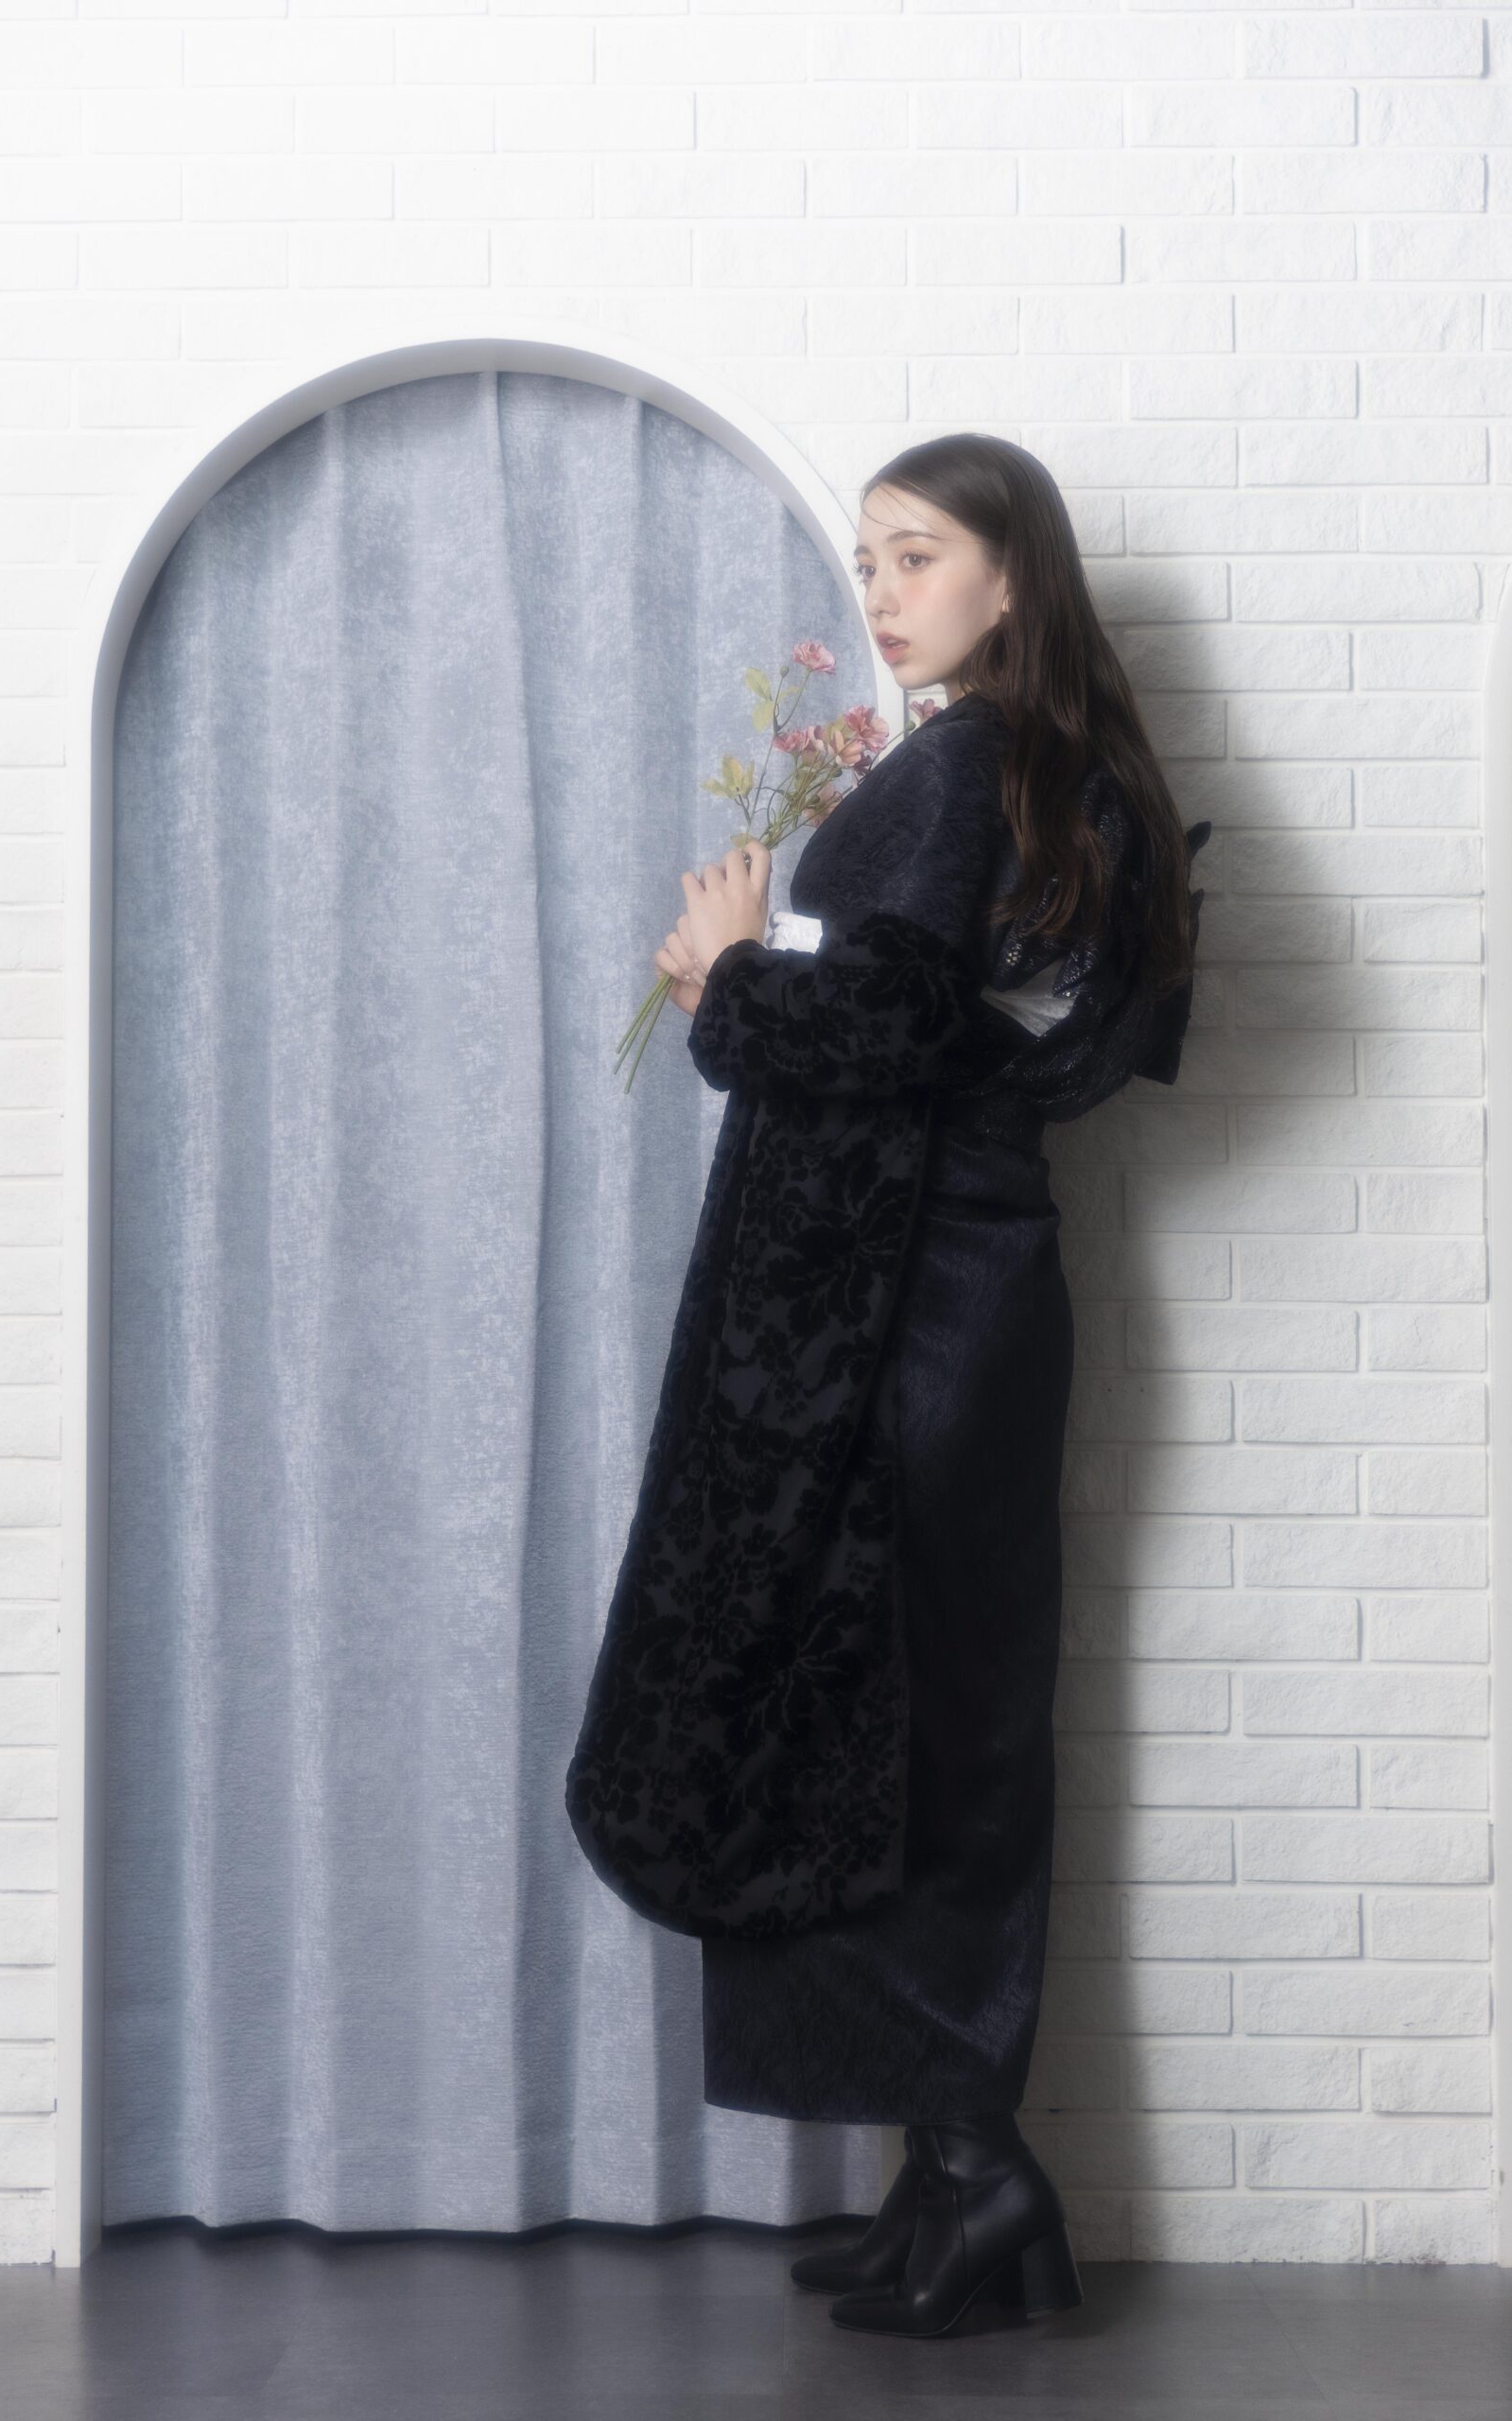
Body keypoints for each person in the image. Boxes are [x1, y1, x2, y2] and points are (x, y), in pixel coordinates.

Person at [565, 431, 1209, 2342]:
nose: (881, 589)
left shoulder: (968, 761)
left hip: (910, 1304)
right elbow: (978, 1036)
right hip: (960, 1285)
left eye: (916, 553)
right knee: (907, 1714)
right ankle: (943, 2173)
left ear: (1015, 571)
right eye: (868, 558)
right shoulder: (1042, 767)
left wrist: (725, 970)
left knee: (892, 1717)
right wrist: (757, 986)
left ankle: (981, 2171)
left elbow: (892, 1022)